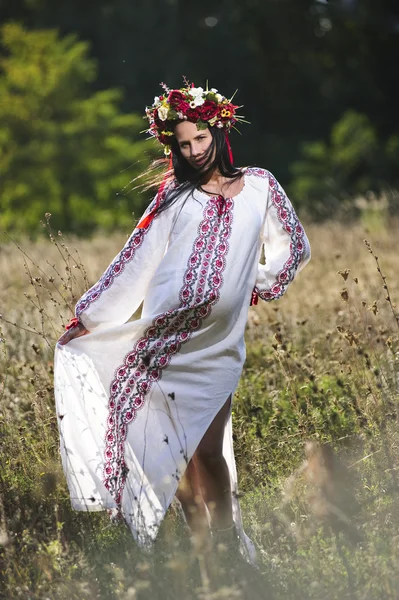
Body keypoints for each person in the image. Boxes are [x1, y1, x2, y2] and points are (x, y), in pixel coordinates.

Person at [54, 82, 311, 562]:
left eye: (201, 139)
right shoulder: (174, 197)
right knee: (175, 453)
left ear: (219, 129)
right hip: (165, 341)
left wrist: (252, 282)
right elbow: (135, 261)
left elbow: (293, 246)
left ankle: (228, 544)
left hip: (216, 347)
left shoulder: (260, 185)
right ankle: (199, 550)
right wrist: (89, 317)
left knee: (208, 450)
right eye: (184, 144)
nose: (194, 151)